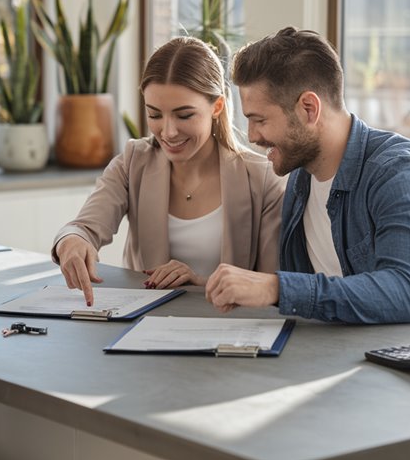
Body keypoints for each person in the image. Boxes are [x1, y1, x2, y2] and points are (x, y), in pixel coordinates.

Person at [204, 27, 410, 333]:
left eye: (260, 120)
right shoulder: (301, 180)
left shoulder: (399, 172)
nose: (253, 136)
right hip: (355, 356)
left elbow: (407, 293)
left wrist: (277, 288)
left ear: (309, 108)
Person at [53, 36, 285, 306]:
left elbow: (271, 289)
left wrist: (199, 282)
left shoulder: (262, 178)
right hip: (144, 331)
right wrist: (71, 241)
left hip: (229, 333)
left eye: (184, 115)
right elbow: (85, 228)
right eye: (154, 115)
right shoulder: (133, 162)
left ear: (216, 107)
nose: (168, 131)